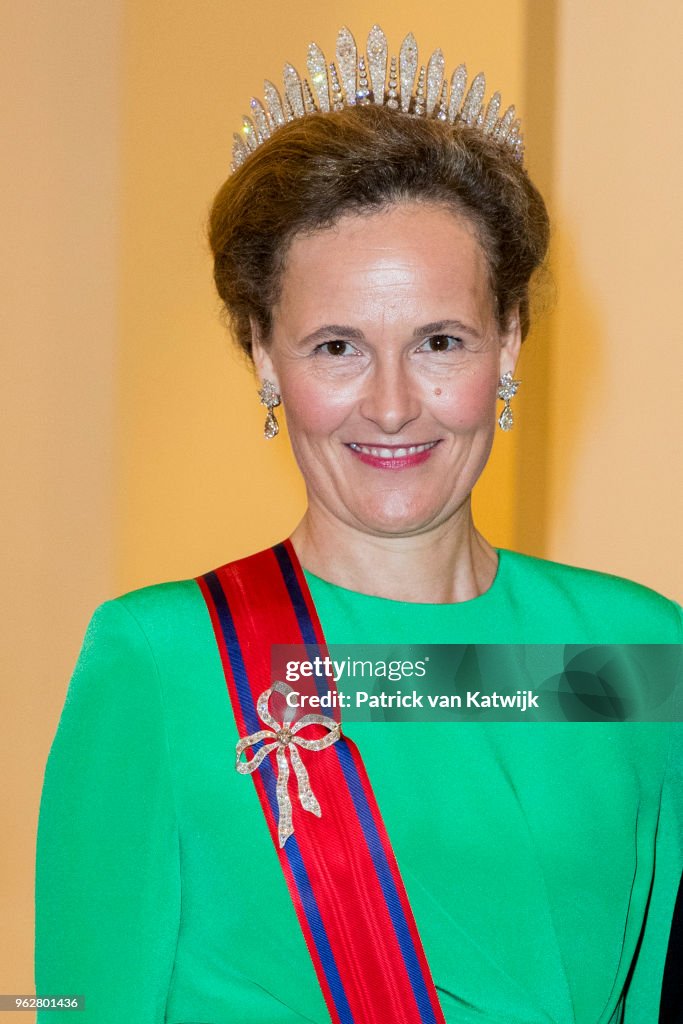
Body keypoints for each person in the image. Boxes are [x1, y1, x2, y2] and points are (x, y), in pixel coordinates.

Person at [35, 24, 681, 1024]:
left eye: (439, 340)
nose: (390, 405)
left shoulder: (632, 650)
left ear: (506, 341)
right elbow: (75, 1004)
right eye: (336, 345)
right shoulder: (161, 662)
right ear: (261, 353)